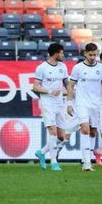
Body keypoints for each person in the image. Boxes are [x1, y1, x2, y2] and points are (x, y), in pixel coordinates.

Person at [66, 43, 102, 171]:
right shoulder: (78, 68)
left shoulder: (101, 68)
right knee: (85, 129)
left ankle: (89, 158)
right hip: (82, 103)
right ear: (85, 53)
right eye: (90, 55)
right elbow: (70, 85)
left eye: (95, 55)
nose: (92, 57)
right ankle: (86, 162)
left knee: (93, 132)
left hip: (96, 105)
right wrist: (69, 104)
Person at [33, 43, 70, 171]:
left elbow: (67, 84)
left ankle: (41, 152)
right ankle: (54, 162)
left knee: (61, 137)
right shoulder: (42, 68)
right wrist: (49, 91)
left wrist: (69, 96)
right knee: (52, 131)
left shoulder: (63, 67)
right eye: (61, 53)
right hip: (47, 103)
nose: (63, 55)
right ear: (55, 54)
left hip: (60, 103)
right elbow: (35, 86)